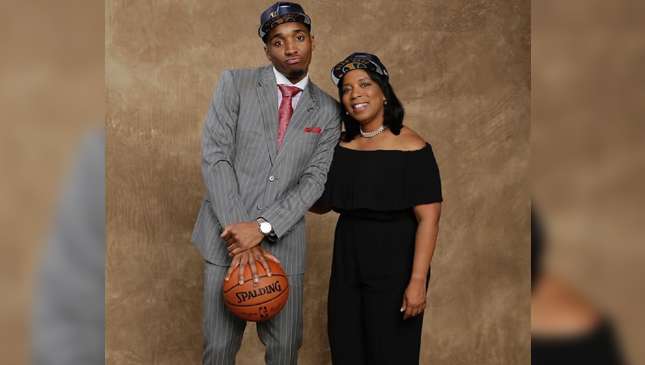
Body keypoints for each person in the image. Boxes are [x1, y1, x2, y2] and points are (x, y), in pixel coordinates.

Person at [190, 2, 341, 364]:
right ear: (267, 49)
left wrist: (262, 227)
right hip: (225, 243)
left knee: (286, 350)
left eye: (298, 37)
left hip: (284, 244)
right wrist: (240, 235)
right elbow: (216, 158)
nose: (291, 48)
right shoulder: (235, 84)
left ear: (312, 41)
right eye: (278, 41)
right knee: (220, 349)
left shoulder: (329, 111)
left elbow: (314, 180)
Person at [312, 53, 443, 364]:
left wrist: (417, 281)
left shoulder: (414, 148)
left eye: (364, 84)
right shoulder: (340, 147)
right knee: (346, 350)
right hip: (348, 259)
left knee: (390, 354)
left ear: (384, 92)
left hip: (395, 263)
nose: (354, 93)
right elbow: (322, 204)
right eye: (345, 88)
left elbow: (429, 219)